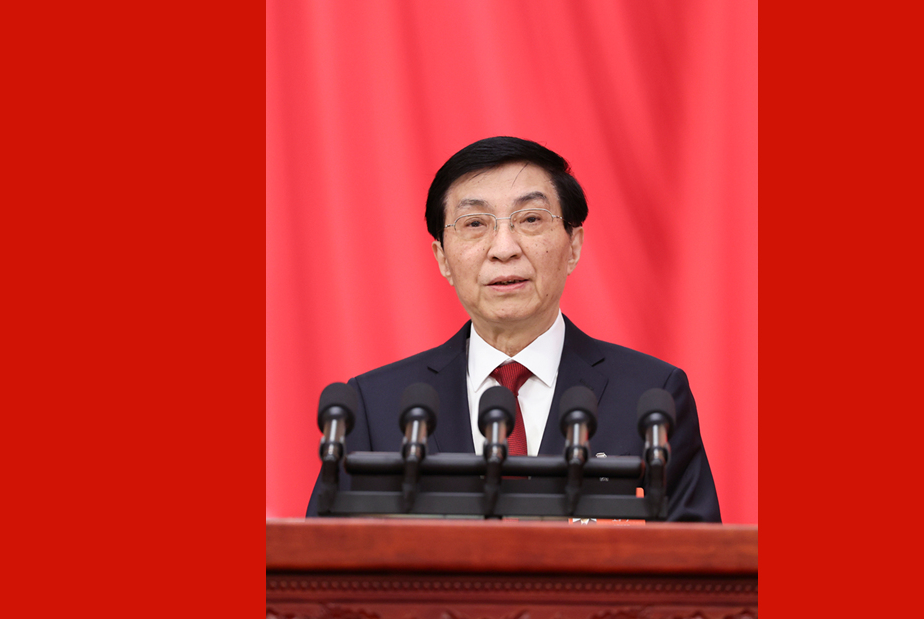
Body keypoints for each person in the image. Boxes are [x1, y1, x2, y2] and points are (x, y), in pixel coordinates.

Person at [306, 136, 720, 522]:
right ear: (443, 259)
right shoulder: (375, 407)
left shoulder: (651, 397)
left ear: (573, 246)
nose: (504, 249)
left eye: (530, 219)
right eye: (474, 224)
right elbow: (323, 562)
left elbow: (695, 562)